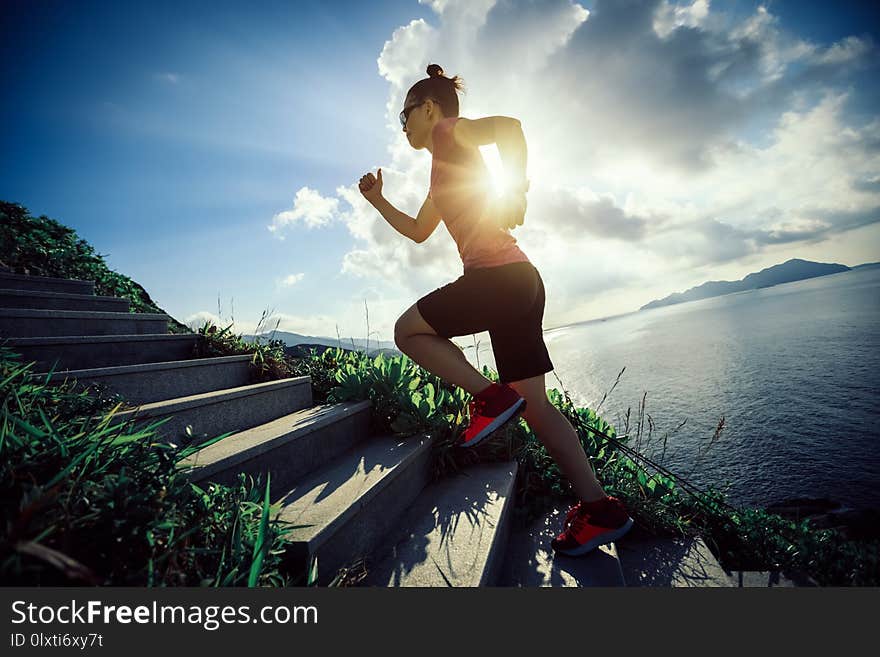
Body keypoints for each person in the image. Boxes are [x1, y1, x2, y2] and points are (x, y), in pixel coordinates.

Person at [358, 63, 633, 556]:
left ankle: (488, 397)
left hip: (496, 280)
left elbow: (510, 129)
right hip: (521, 281)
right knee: (537, 408)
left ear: (429, 108)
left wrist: (518, 190)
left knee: (407, 332)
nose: (402, 126)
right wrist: (379, 201)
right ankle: (599, 510)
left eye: (405, 116)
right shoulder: (444, 168)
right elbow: (420, 231)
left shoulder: (447, 132)